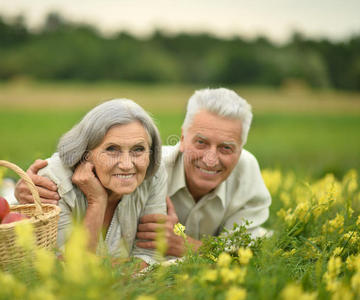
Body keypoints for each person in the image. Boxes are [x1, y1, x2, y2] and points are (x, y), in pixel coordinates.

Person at [15, 88, 271, 258]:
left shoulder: (247, 175)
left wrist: (185, 242)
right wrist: (24, 190)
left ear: (240, 150)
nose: (211, 159)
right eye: (201, 142)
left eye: (226, 148)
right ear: (182, 139)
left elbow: (241, 250)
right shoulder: (152, 166)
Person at [22, 99, 167, 267]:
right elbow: (69, 268)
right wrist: (97, 201)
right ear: (85, 153)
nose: (127, 165)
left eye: (138, 149)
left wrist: (103, 268)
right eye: (112, 149)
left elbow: (149, 256)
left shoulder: (153, 174)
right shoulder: (52, 182)